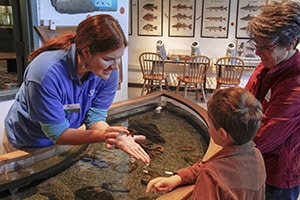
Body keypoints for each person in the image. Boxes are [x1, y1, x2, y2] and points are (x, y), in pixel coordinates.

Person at [3, 14, 150, 163]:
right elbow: (58, 133)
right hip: (28, 142)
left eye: (118, 57)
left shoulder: (109, 71)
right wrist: (103, 135)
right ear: (86, 52)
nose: (115, 65)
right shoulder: (45, 73)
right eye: (108, 59)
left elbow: (95, 117)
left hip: (67, 137)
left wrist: (115, 136)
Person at [146, 86, 266, 200]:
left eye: (210, 123)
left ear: (222, 134)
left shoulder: (210, 176)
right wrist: (178, 178)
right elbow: (209, 166)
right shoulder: (256, 155)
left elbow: (211, 171)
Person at [245, 1, 300, 199]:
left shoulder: (295, 84)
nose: (258, 52)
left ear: (291, 43)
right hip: (255, 164)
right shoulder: (267, 64)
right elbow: (243, 101)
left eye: (265, 47)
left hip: (278, 175)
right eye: (256, 45)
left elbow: (263, 139)